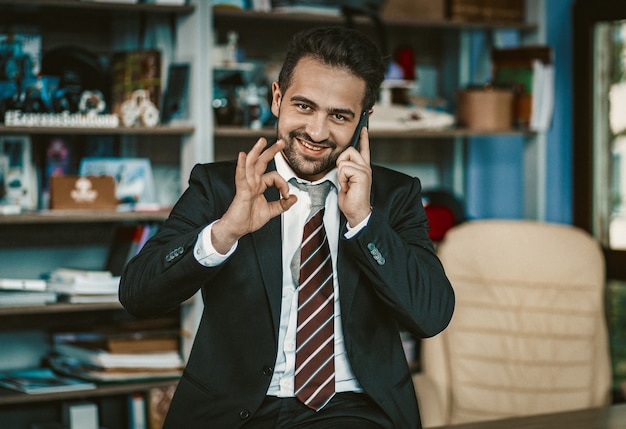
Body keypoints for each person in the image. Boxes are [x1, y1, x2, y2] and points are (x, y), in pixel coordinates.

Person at [119, 26, 454, 429]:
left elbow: (431, 315)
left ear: (364, 119)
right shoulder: (219, 186)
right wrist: (225, 231)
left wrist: (364, 221)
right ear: (277, 98)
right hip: (232, 409)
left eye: (339, 116)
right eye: (304, 106)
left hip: (353, 407)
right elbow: (138, 294)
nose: (316, 131)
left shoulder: (394, 195)